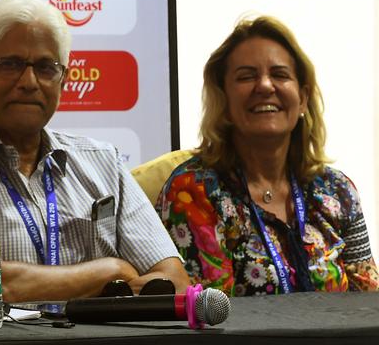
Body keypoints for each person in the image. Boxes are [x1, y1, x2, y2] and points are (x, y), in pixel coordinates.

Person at [0, 0, 187, 306]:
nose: (29, 82)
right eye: (10, 64)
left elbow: (174, 281)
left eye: (46, 67)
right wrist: (112, 271)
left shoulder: (104, 161)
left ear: (64, 80)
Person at [156, 16, 379, 295]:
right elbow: (209, 316)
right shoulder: (192, 192)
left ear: (303, 99)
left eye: (280, 74)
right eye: (246, 76)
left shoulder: (338, 190)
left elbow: (370, 302)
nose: (264, 86)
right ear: (223, 101)